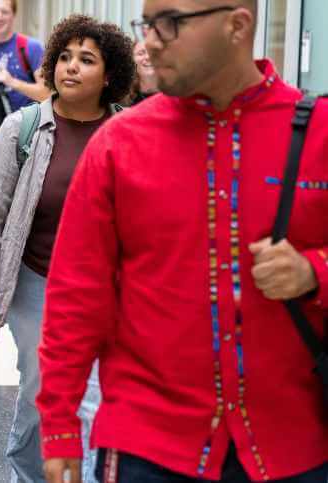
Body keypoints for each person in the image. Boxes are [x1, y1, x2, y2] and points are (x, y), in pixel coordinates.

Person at [37, 1, 328, 482]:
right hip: (148, 445)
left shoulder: (316, 133)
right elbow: (76, 294)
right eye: (147, 24)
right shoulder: (119, 144)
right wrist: (60, 426)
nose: (150, 41)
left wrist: (314, 272)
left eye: (169, 24)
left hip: (293, 444)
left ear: (238, 24)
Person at [0, 14, 135, 483]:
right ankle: (27, 474)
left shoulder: (127, 134)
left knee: (96, 393)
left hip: (108, 287)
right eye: (64, 57)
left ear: (110, 75)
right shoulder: (22, 128)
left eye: (86, 60)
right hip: (37, 282)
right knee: (45, 387)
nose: (71, 68)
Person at [0, 0, 50, 121]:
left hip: (25, 131)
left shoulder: (32, 47)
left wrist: (12, 82)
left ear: (13, 15)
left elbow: (47, 94)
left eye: (4, 12)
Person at [129, 40, 158, 105]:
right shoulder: (128, 105)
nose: (148, 57)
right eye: (141, 53)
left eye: (151, 52)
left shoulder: (177, 93)